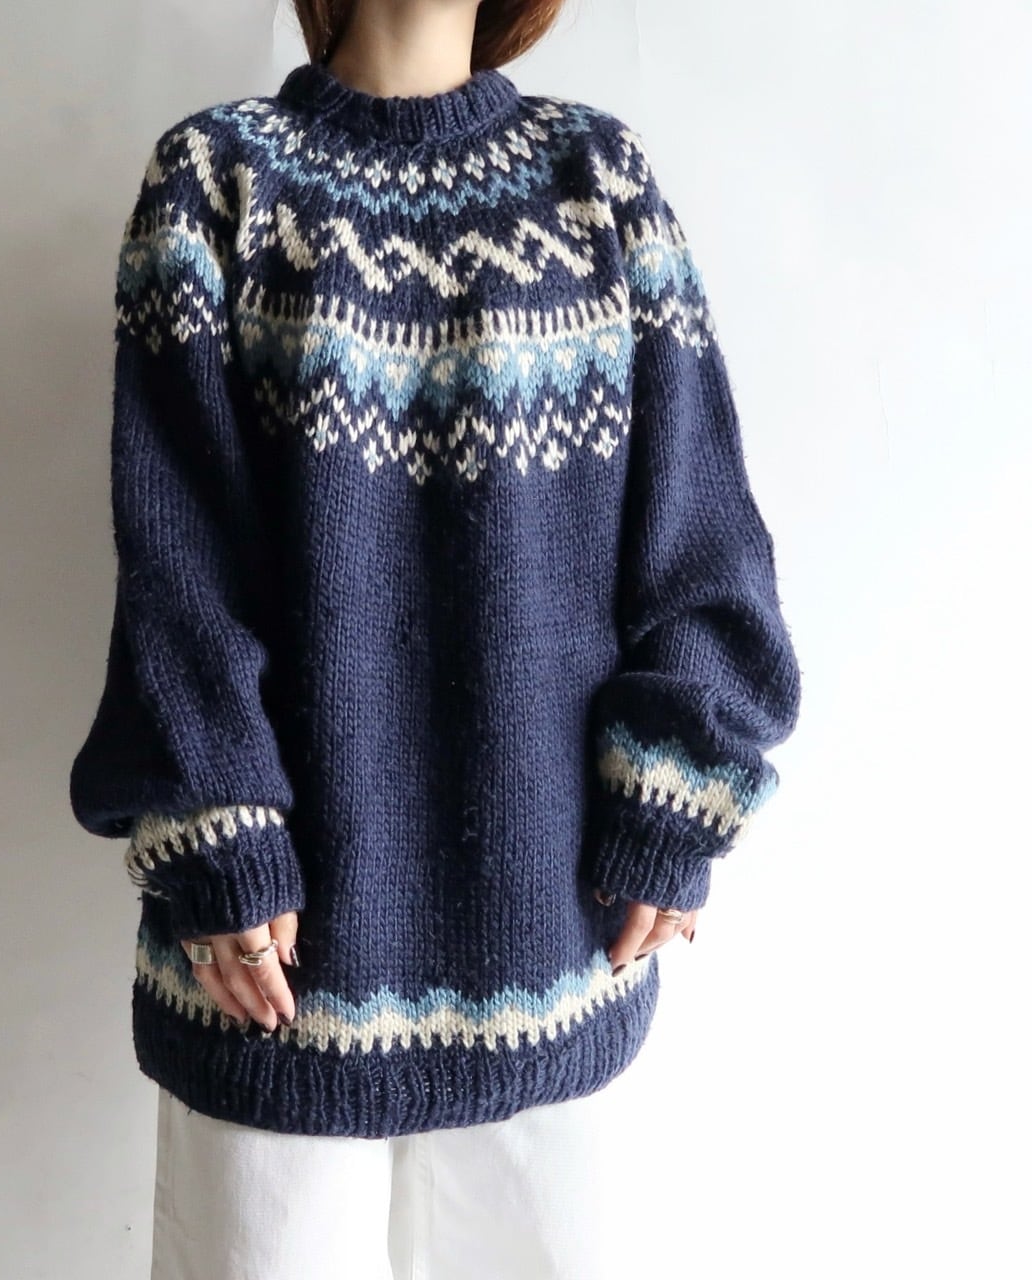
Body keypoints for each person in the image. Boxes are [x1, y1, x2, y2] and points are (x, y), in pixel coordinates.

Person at [68, 0, 803, 1274]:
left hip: (556, 950)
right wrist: (215, 831)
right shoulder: (215, 178)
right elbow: (178, 562)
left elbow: (699, 539)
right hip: (270, 964)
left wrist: (677, 794)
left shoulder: (598, 179)